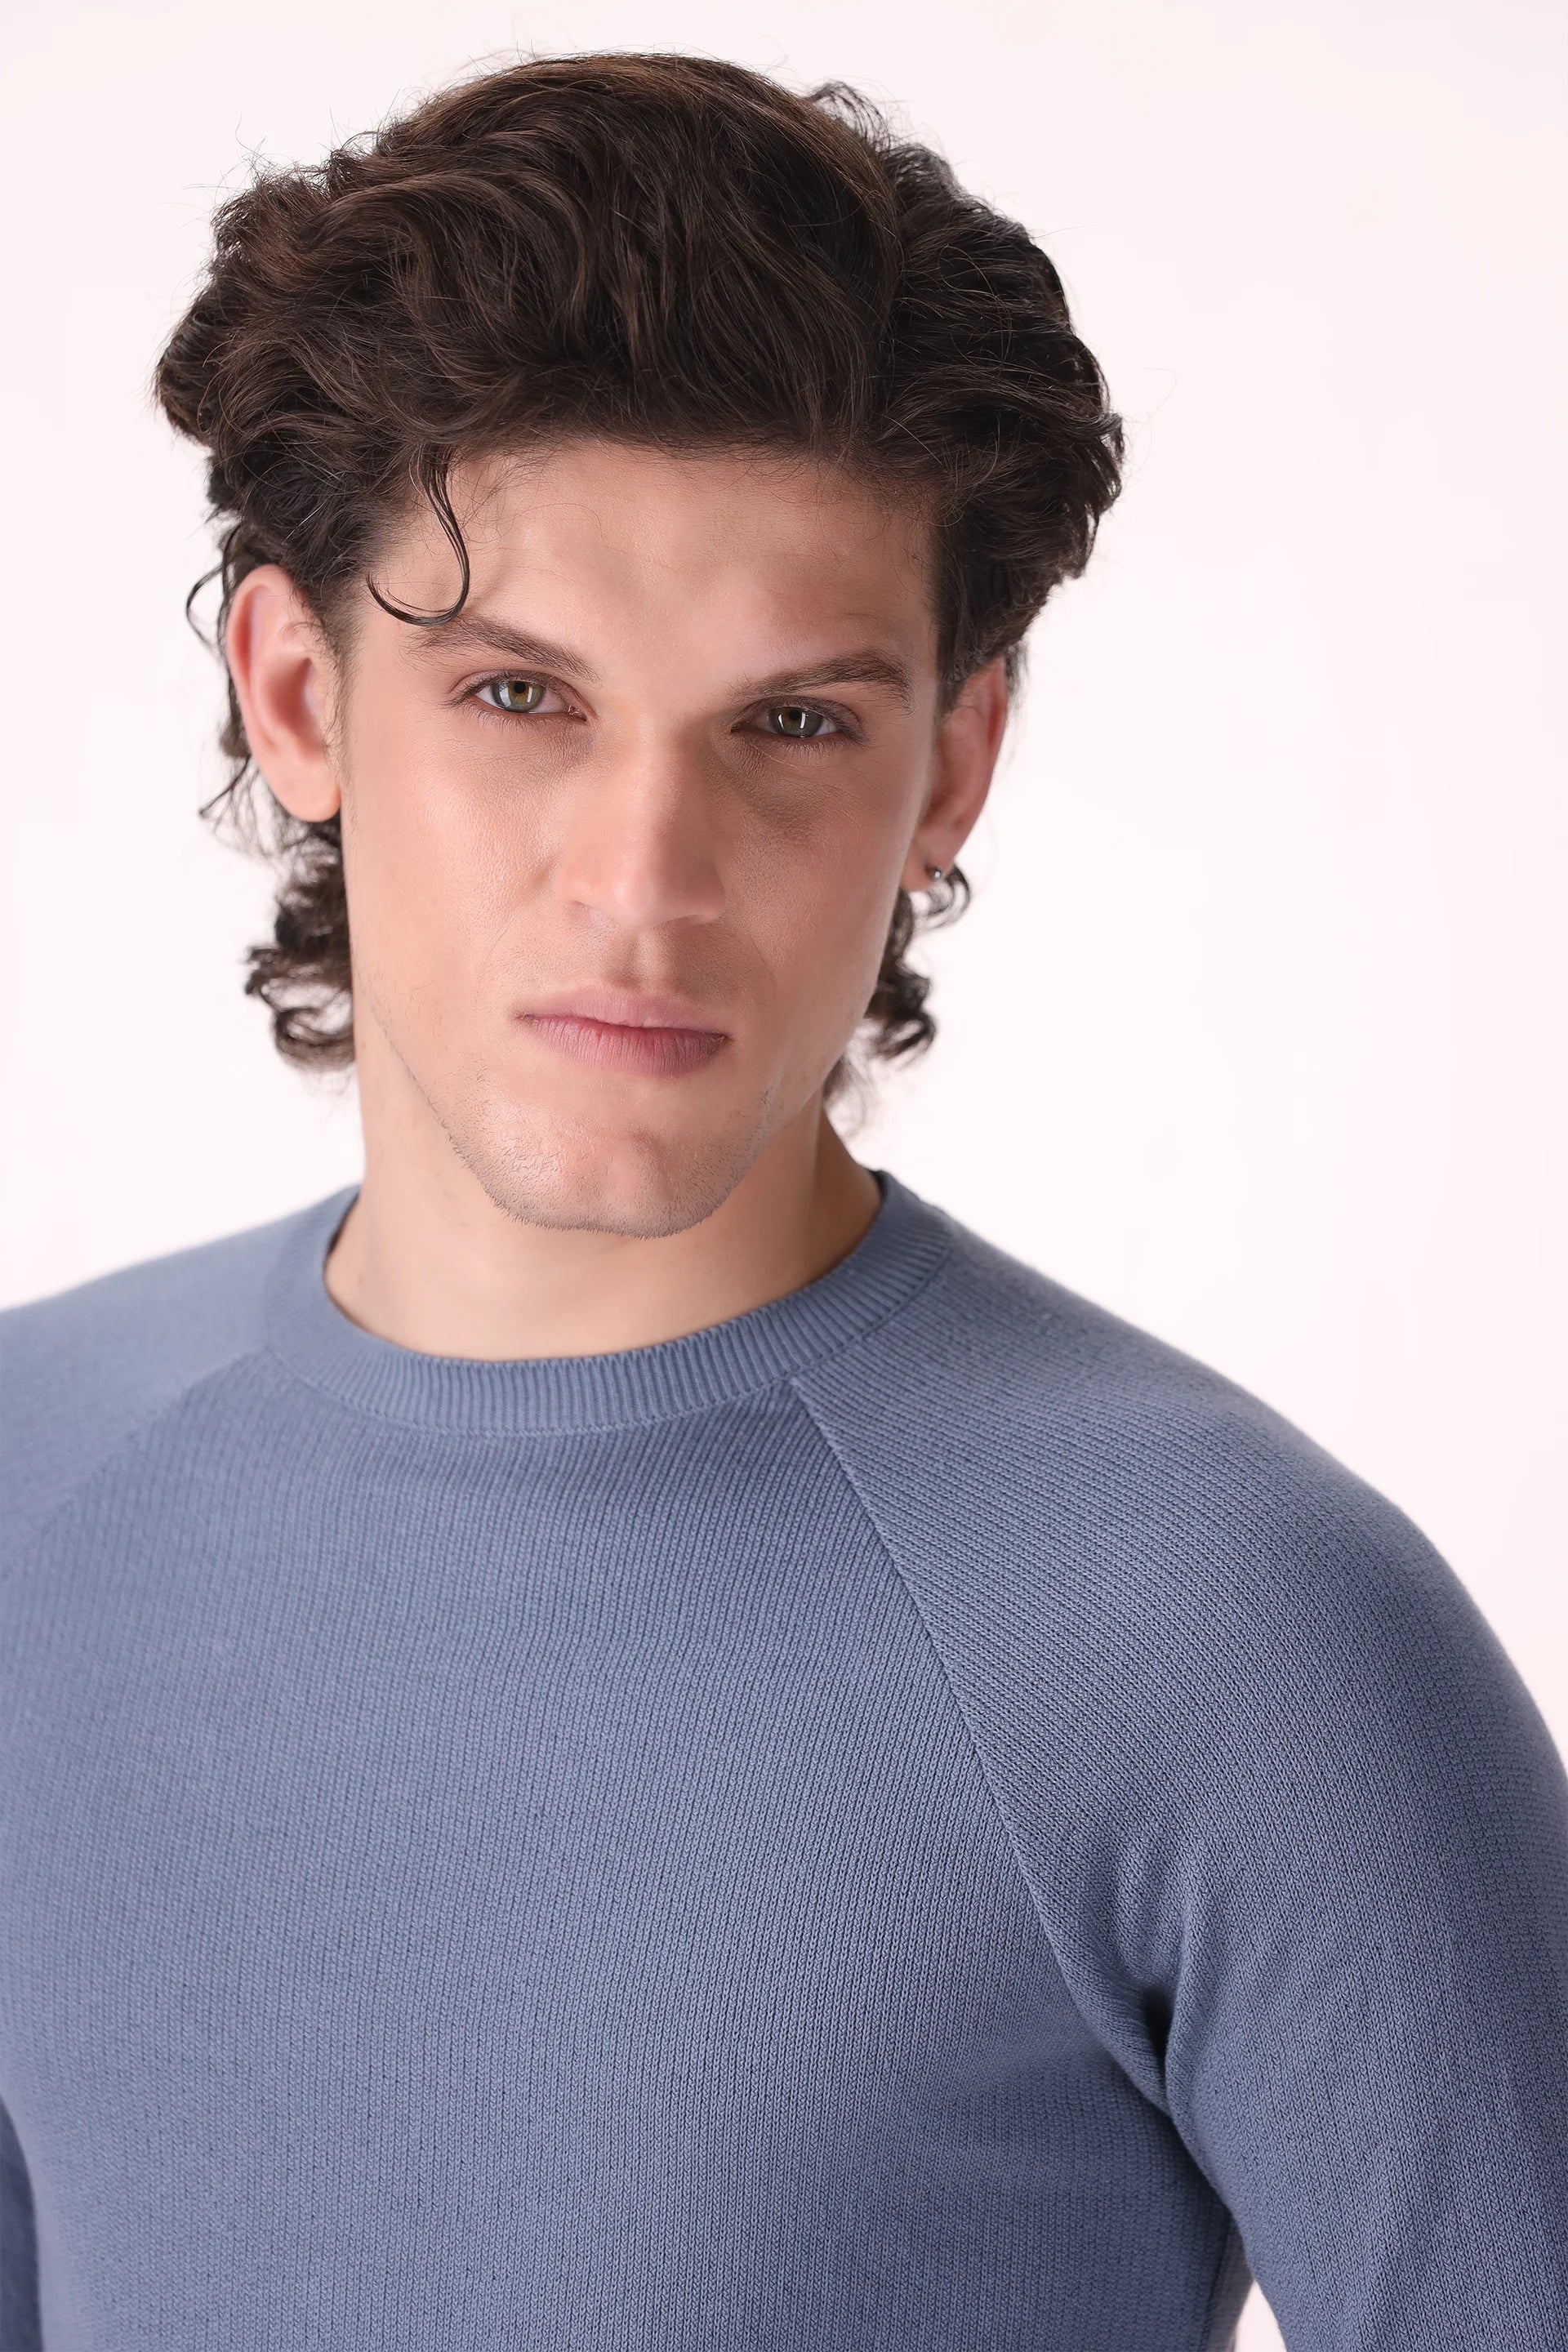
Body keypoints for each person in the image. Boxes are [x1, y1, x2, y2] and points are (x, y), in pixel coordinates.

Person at [2, 51, 1563, 2352]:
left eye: (796, 724)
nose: (648, 882)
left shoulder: (1233, 1632)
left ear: (952, 765)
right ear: (299, 696)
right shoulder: (28, 1481)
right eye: (521, 696)